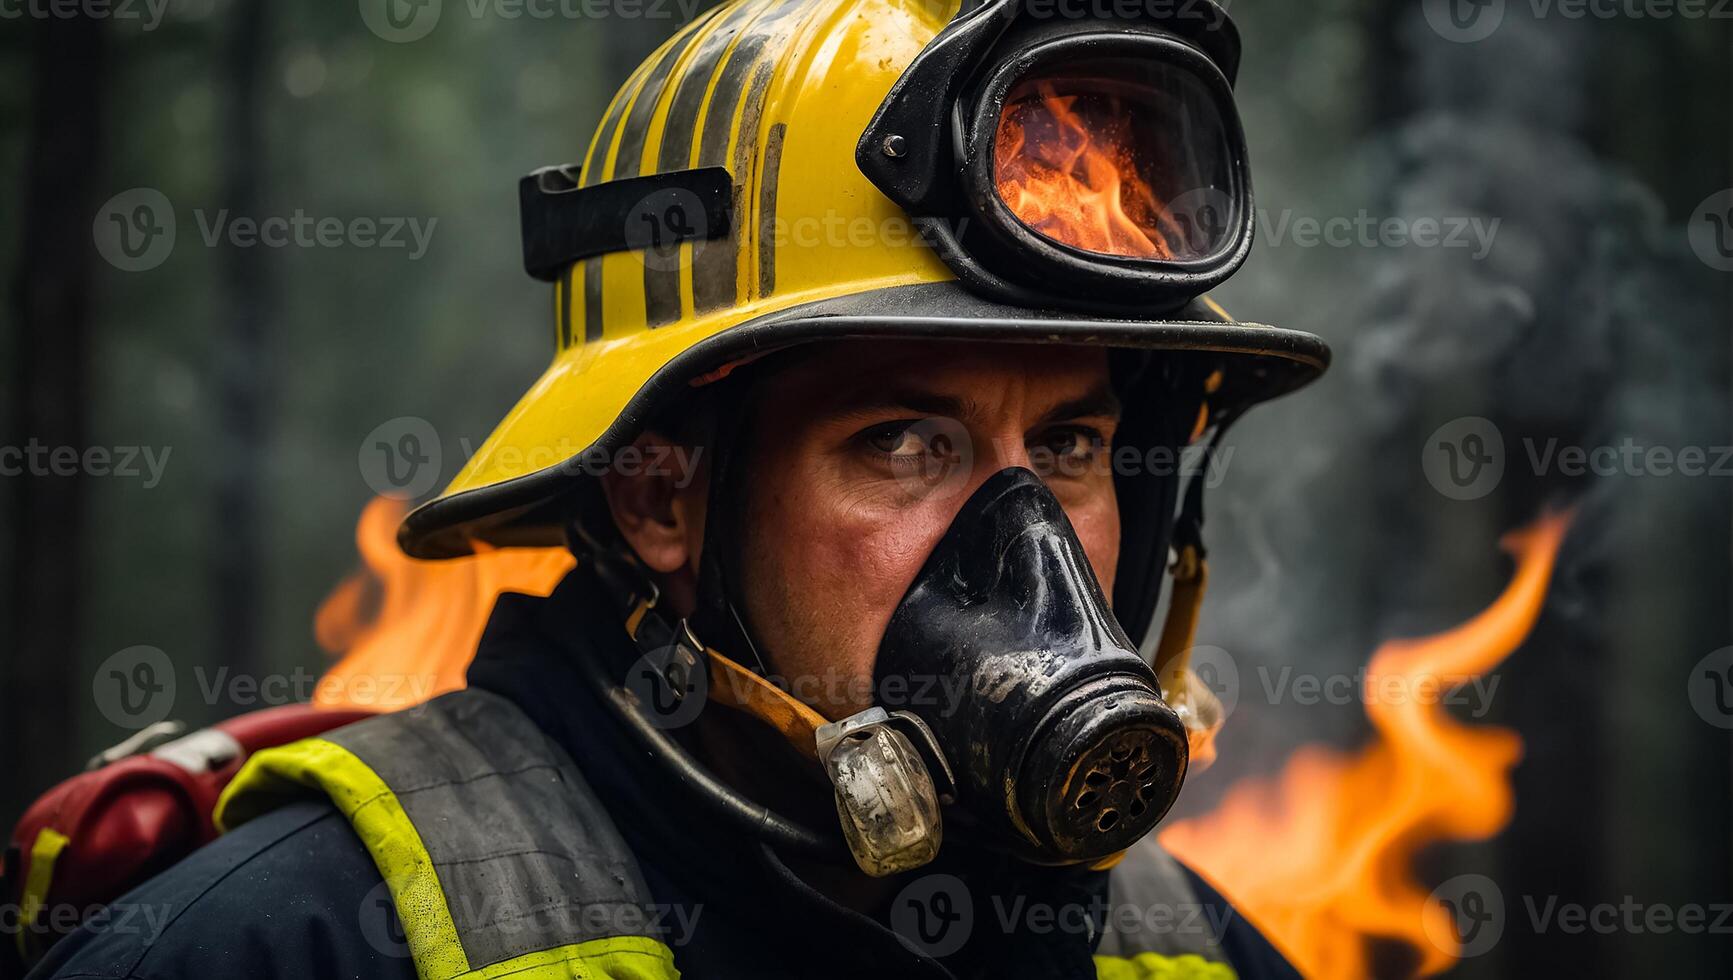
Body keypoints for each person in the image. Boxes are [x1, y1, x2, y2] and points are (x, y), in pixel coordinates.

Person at [28, 1, 1329, 977]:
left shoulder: (1185, 952)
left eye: (1068, 449)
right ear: (659, 499)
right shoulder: (296, 942)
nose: (1028, 545)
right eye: (901, 444)